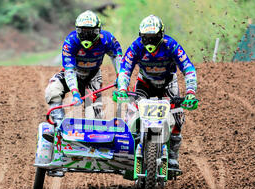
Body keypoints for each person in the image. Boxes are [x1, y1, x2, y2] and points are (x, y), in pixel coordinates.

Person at [114, 15, 198, 170]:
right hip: (144, 84)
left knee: (177, 116)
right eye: (146, 37)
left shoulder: (171, 45)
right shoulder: (136, 46)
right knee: (131, 114)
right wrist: (121, 89)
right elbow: (125, 70)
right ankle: (128, 150)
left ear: (161, 35)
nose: (150, 41)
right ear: (141, 36)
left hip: (168, 84)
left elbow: (188, 68)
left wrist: (191, 92)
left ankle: (173, 156)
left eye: (154, 37)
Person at [45, 10, 123, 129]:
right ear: (77, 30)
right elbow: (69, 70)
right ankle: (58, 125)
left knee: (93, 118)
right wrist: (75, 92)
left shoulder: (107, 39)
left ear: (98, 30)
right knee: (52, 90)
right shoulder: (70, 41)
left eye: (90, 32)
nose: (86, 36)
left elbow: (117, 56)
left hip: (93, 76)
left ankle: (94, 138)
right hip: (74, 73)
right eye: (83, 32)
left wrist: (120, 77)